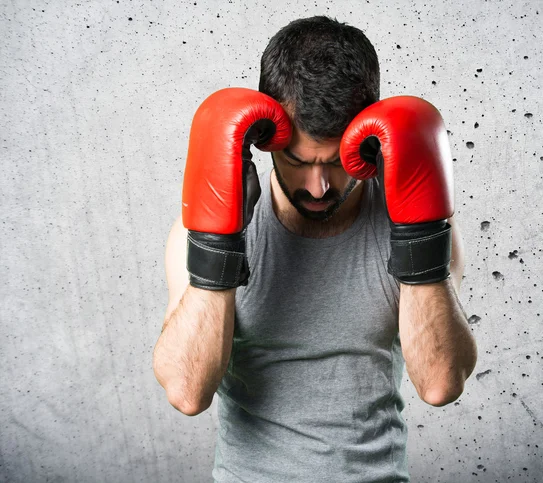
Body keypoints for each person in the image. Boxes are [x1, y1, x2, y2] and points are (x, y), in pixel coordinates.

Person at [153, 16, 478, 482]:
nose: (319, 186)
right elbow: (187, 392)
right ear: (266, 139)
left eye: (334, 163)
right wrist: (219, 242)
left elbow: (441, 383)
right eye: (299, 162)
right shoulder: (199, 230)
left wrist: (418, 238)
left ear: (367, 138)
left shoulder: (421, 226)